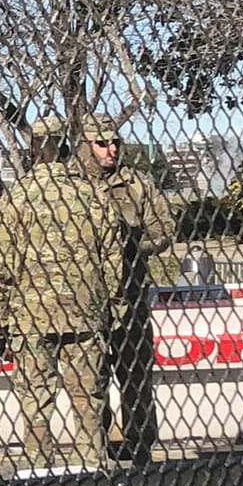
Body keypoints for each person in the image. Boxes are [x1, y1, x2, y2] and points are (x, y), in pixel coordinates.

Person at [0, 117, 120, 470]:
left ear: (32, 148)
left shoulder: (15, 199)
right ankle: (92, 471)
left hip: (31, 317)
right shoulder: (92, 195)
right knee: (88, 400)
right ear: (66, 146)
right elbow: (112, 261)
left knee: (35, 404)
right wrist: (112, 310)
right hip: (85, 313)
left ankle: (39, 475)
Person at [79, 114, 175, 464]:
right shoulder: (70, 185)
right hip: (87, 298)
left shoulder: (136, 184)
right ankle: (96, 449)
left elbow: (164, 227)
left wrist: (130, 245)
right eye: (102, 143)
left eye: (115, 142)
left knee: (136, 375)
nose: (111, 149)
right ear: (85, 145)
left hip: (130, 294)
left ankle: (140, 448)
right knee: (91, 379)